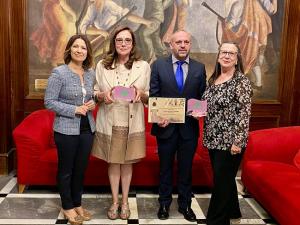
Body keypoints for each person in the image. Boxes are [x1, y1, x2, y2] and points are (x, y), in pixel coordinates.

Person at [92, 26, 150, 220]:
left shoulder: (143, 66)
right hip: (110, 119)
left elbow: (150, 96)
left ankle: (125, 202)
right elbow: (94, 92)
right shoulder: (102, 65)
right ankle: (114, 202)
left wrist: (141, 94)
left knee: (127, 163)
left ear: (133, 44)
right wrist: (102, 95)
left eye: (127, 40)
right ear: (114, 43)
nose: (123, 44)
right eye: (119, 40)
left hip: (132, 121)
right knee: (114, 162)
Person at [150, 30, 206, 222]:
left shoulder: (199, 68)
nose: (183, 45)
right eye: (178, 42)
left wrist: (200, 110)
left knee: (186, 169)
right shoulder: (158, 66)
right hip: (165, 128)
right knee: (165, 168)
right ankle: (164, 204)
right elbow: (153, 96)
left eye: (186, 42)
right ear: (171, 45)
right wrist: (157, 116)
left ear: (190, 45)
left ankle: (185, 205)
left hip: (189, 129)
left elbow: (201, 97)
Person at [44, 34, 96, 225]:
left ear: (87, 52)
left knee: (80, 170)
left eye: (83, 47)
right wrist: (74, 109)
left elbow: (91, 96)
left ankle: (77, 204)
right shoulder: (59, 73)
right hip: (65, 130)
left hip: (87, 129)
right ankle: (67, 206)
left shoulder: (90, 73)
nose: (79, 50)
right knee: (66, 170)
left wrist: (93, 101)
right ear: (69, 49)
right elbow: (49, 102)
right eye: (76, 46)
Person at [202, 42, 252, 225]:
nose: (227, 56)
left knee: (221, 183)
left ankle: (216, 220)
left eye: (232, 53)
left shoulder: (241, 82)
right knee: (225, 178)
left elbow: (244, 114)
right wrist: (197, 110)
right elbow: (207, 104)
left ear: (237, 58)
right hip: (213, 139)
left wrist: (238, 141)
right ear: (218, 55)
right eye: (224, 52)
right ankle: (233, 211)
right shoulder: (213, 78)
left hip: (230, 141)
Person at [31, 0, 76, 67]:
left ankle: (52, 57)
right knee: (63, 31)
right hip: (53, 8)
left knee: (53, 31)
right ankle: (56, 58)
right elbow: (62, 2)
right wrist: (72, 13)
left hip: (50, 7)